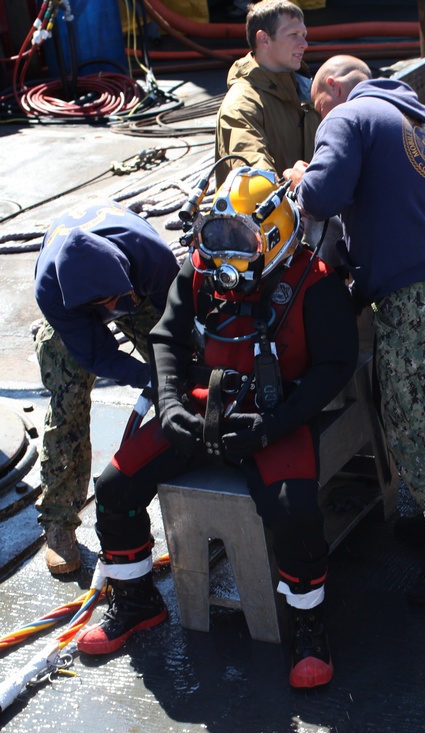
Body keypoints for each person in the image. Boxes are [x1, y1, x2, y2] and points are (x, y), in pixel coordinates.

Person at [76, 167, 359, 690]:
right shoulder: (199, 271)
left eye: (241, 239)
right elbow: (167, 339)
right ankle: (137, 602)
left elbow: (335, 365)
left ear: (272, 236)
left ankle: (308, 625)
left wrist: (275, 424)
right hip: (201, 406)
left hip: (275, 413)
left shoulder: (314, 282)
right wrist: (170, 402)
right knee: (115, 487)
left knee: (293, 511)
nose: (226, 252)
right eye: (218, 236)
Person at [284, 55, 425, 605]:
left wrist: (303, 178)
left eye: (316, 106)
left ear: (330, 87)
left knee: (412, 428)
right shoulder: (412, 121)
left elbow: (323, 198)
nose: (318, 116)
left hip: (416, 299)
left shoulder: (346, 119)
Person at [33, 200, 179, 576]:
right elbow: (98, 356)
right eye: (103, 305)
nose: (112, 309)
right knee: (67, 400)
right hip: (76, 307)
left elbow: (180, 328)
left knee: (184, 373)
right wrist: (148, 377)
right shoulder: (52, 289)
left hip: (137, 285)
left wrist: (169, 373)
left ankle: (195, 480)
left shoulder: (153, 257)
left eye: (113, 301)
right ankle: (58, 520)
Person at [214, 0, 318, 188]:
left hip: (311, 211)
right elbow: (253, 174)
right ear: (264, 39)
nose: (304, 44)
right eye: (293, 35)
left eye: (303, 35)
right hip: (273, 214)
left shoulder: (307, 90)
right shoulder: (241, 105)